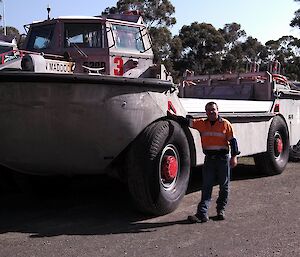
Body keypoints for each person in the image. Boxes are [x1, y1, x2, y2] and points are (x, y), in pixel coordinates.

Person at [181, 101, 240, 223]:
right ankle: (202, 213)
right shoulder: (202, 123)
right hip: (209, 160)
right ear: (206, 112)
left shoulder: (225, 124)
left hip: (223, 159)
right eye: (208, 110)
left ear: (218, 110)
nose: (211, 112)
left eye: (213, 109)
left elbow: (233, 142)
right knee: (206, 186)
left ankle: (221, 210)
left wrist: (234, 157)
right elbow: (187, 122)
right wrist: (172, 116)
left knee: (224, 187)